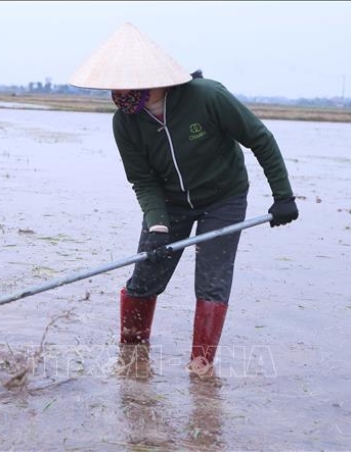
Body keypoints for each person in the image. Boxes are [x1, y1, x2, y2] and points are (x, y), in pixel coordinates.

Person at [69, 22, 298, 376]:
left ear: (152, 77)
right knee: (145, 276)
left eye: (126, 82)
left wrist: (283, 196)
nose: (118, 92)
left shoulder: (207, 97)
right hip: (171, 203)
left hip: (224, 197)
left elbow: (260, 139)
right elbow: (143, 180)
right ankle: (132, 356)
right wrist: (158, 224)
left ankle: (201, 367)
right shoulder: (125, 123)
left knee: (212, 279)